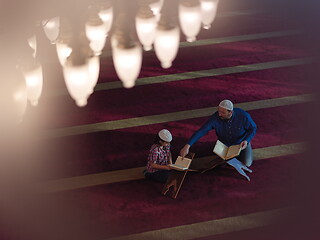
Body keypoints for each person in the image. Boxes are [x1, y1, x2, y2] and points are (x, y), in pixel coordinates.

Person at [180, 100, 257, 181]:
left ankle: (229, 160)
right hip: (224, 144)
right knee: (217, 159)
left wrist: (246, 140)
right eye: (219, 111)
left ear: (230, 112)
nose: (219, 114)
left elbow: (253, 128)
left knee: (247, 163)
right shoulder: (215, 118)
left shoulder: (243, 115)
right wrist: (187, 145)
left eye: (222, 112)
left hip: (241, 143)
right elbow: (202, 131)